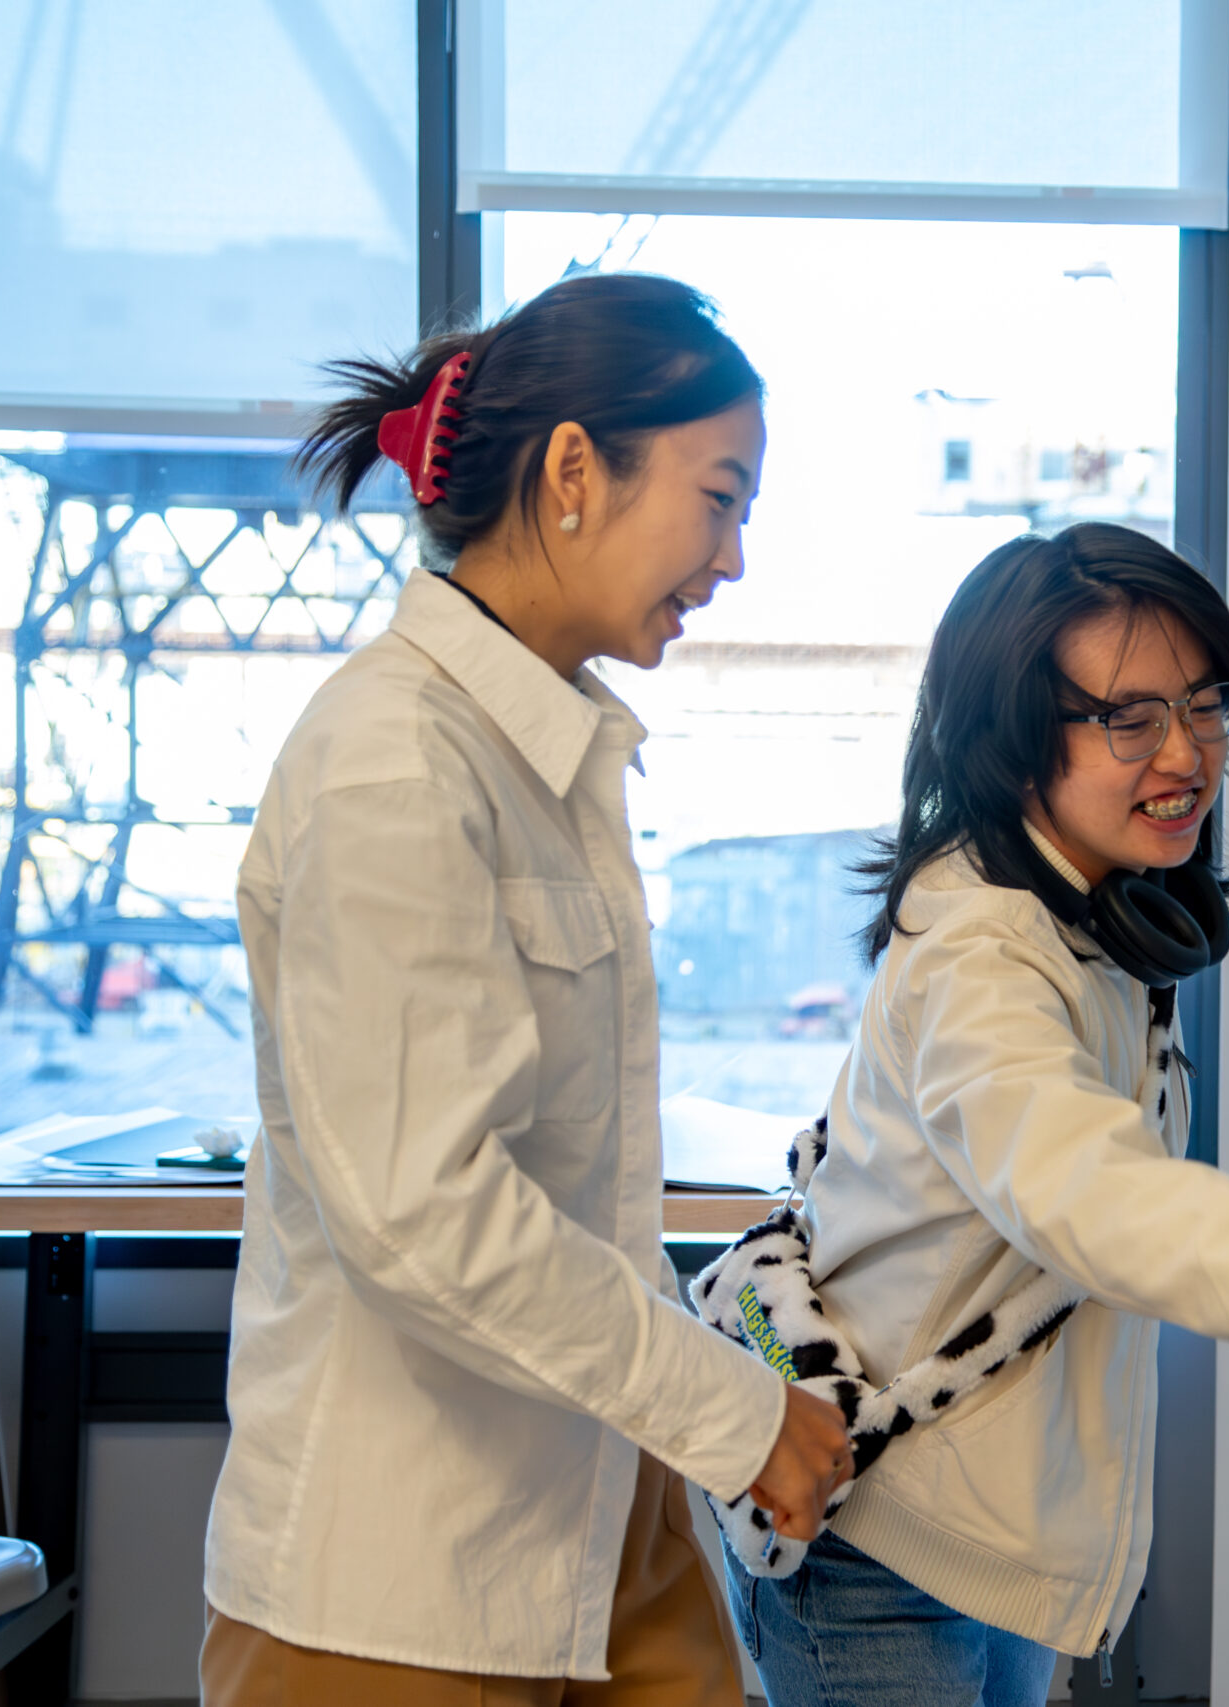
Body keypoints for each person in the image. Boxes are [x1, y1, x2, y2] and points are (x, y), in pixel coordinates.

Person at [724, 523, 1229, 1706]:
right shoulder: (983, 955)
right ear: (1011, 739)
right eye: (1130, 718)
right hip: (878, 1541)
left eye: (1206, 705)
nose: (1188, 754)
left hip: (999, 1544)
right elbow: (1087, 1187)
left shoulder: (1096, 917)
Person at [201, 273, 852, 1707]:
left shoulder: (549, 761)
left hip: (598, 1509)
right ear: (575, 470)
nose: (734, 555)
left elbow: (570, 1198)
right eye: (721, 496)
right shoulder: (394, 760)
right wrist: (736, 1413)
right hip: (406, 1580)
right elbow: (428, 1214)